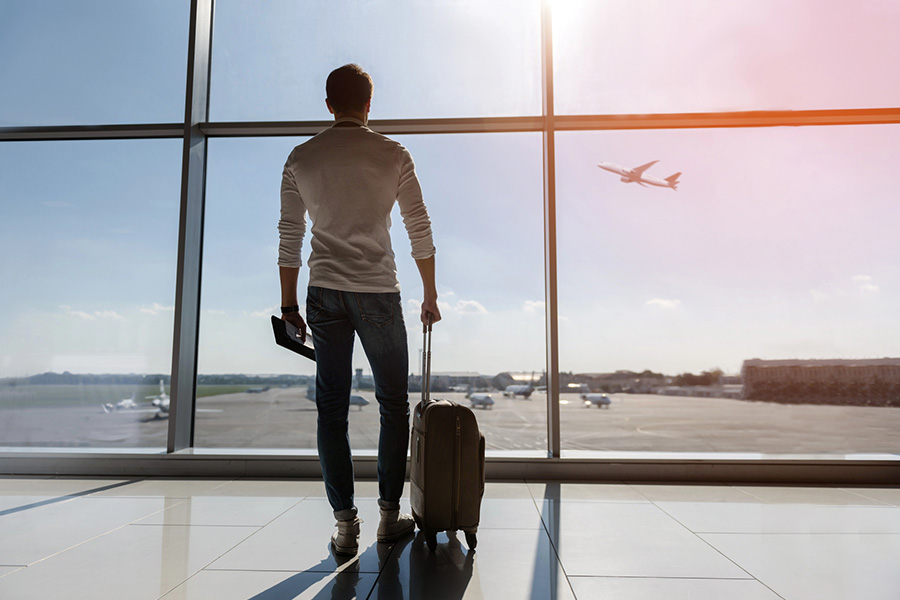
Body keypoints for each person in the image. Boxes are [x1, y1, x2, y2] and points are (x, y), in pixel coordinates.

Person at [277, 64, 441, 556]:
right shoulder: (394, 153)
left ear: (329, 104)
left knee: (331, 408)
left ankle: (345, 526)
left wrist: (288, 304)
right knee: (393, 404)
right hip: (377, 291)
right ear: (370, 104)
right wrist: (430, 294)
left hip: (323, 292)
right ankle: (389, 517)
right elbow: (418, 225)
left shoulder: (301, 157)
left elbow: (290, 236)